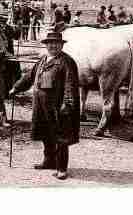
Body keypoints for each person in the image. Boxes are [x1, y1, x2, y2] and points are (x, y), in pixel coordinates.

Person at [9, 32, 80, 180]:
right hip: (40, 104)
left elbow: (70, 84)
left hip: (57, 106)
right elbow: (29, 76)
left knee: (60, 136)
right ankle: (49, 161)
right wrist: (16, 87)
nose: (53, 46)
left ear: (61, 45)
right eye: (50, 43)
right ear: (46, 45)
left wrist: (67, 103)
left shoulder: (67, 62)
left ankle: (61, 168)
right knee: (45, 133)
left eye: (56, 43)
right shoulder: (43, 60)